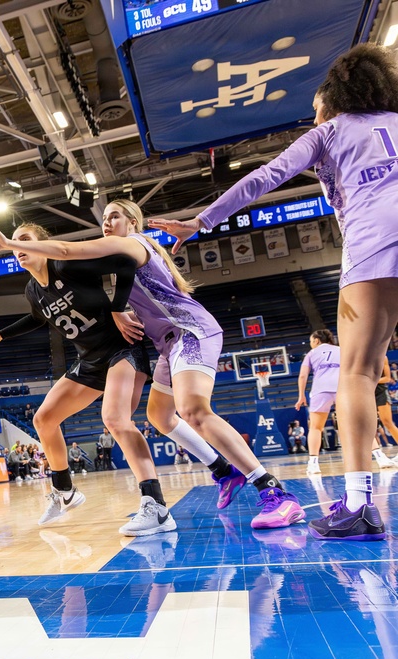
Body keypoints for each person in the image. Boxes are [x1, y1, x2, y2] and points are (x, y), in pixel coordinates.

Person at [150, 44, 398, 540]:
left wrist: (198, 221)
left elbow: (265, 177)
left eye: (314, 108)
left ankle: (359, 504)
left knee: (358, 372)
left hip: (376, 244)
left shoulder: (329, 130)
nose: (313, 114)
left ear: (333, 102)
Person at [31, 199, 296, 525]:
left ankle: (273, 491)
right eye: (105, 218)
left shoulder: (133, 243)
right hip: (169, 346)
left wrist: (10, 244)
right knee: (159, 415)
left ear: (132, 222)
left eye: (114, 216)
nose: (107, 222)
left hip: (190, 331)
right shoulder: (122, 264)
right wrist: (120, 311)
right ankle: (223, 470)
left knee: (194, 411)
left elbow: (66, 251)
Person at [0, 219, 173, 535]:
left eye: (24, 239)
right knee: (44, 419)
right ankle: (65, 491)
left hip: (121, 349)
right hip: (90, 362)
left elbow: (123, 263)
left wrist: (118, 308)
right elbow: (38, 316)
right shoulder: (32, 290)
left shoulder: (67, 266)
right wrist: (1, 334)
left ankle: (156, 505)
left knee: (116, 420)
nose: (19, 247)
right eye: (15, 243)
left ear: (40, 245)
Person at [295, 329, 342, 473]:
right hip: (342, 388)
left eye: (311, 341)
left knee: (315, 427)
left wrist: (301, 396)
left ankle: (313, 464)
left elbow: (303, 376)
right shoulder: (341, 349)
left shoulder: (311, 353)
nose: (310, 344)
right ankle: (379, 456)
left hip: (321, 390)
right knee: (354, 425)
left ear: (316, 340)